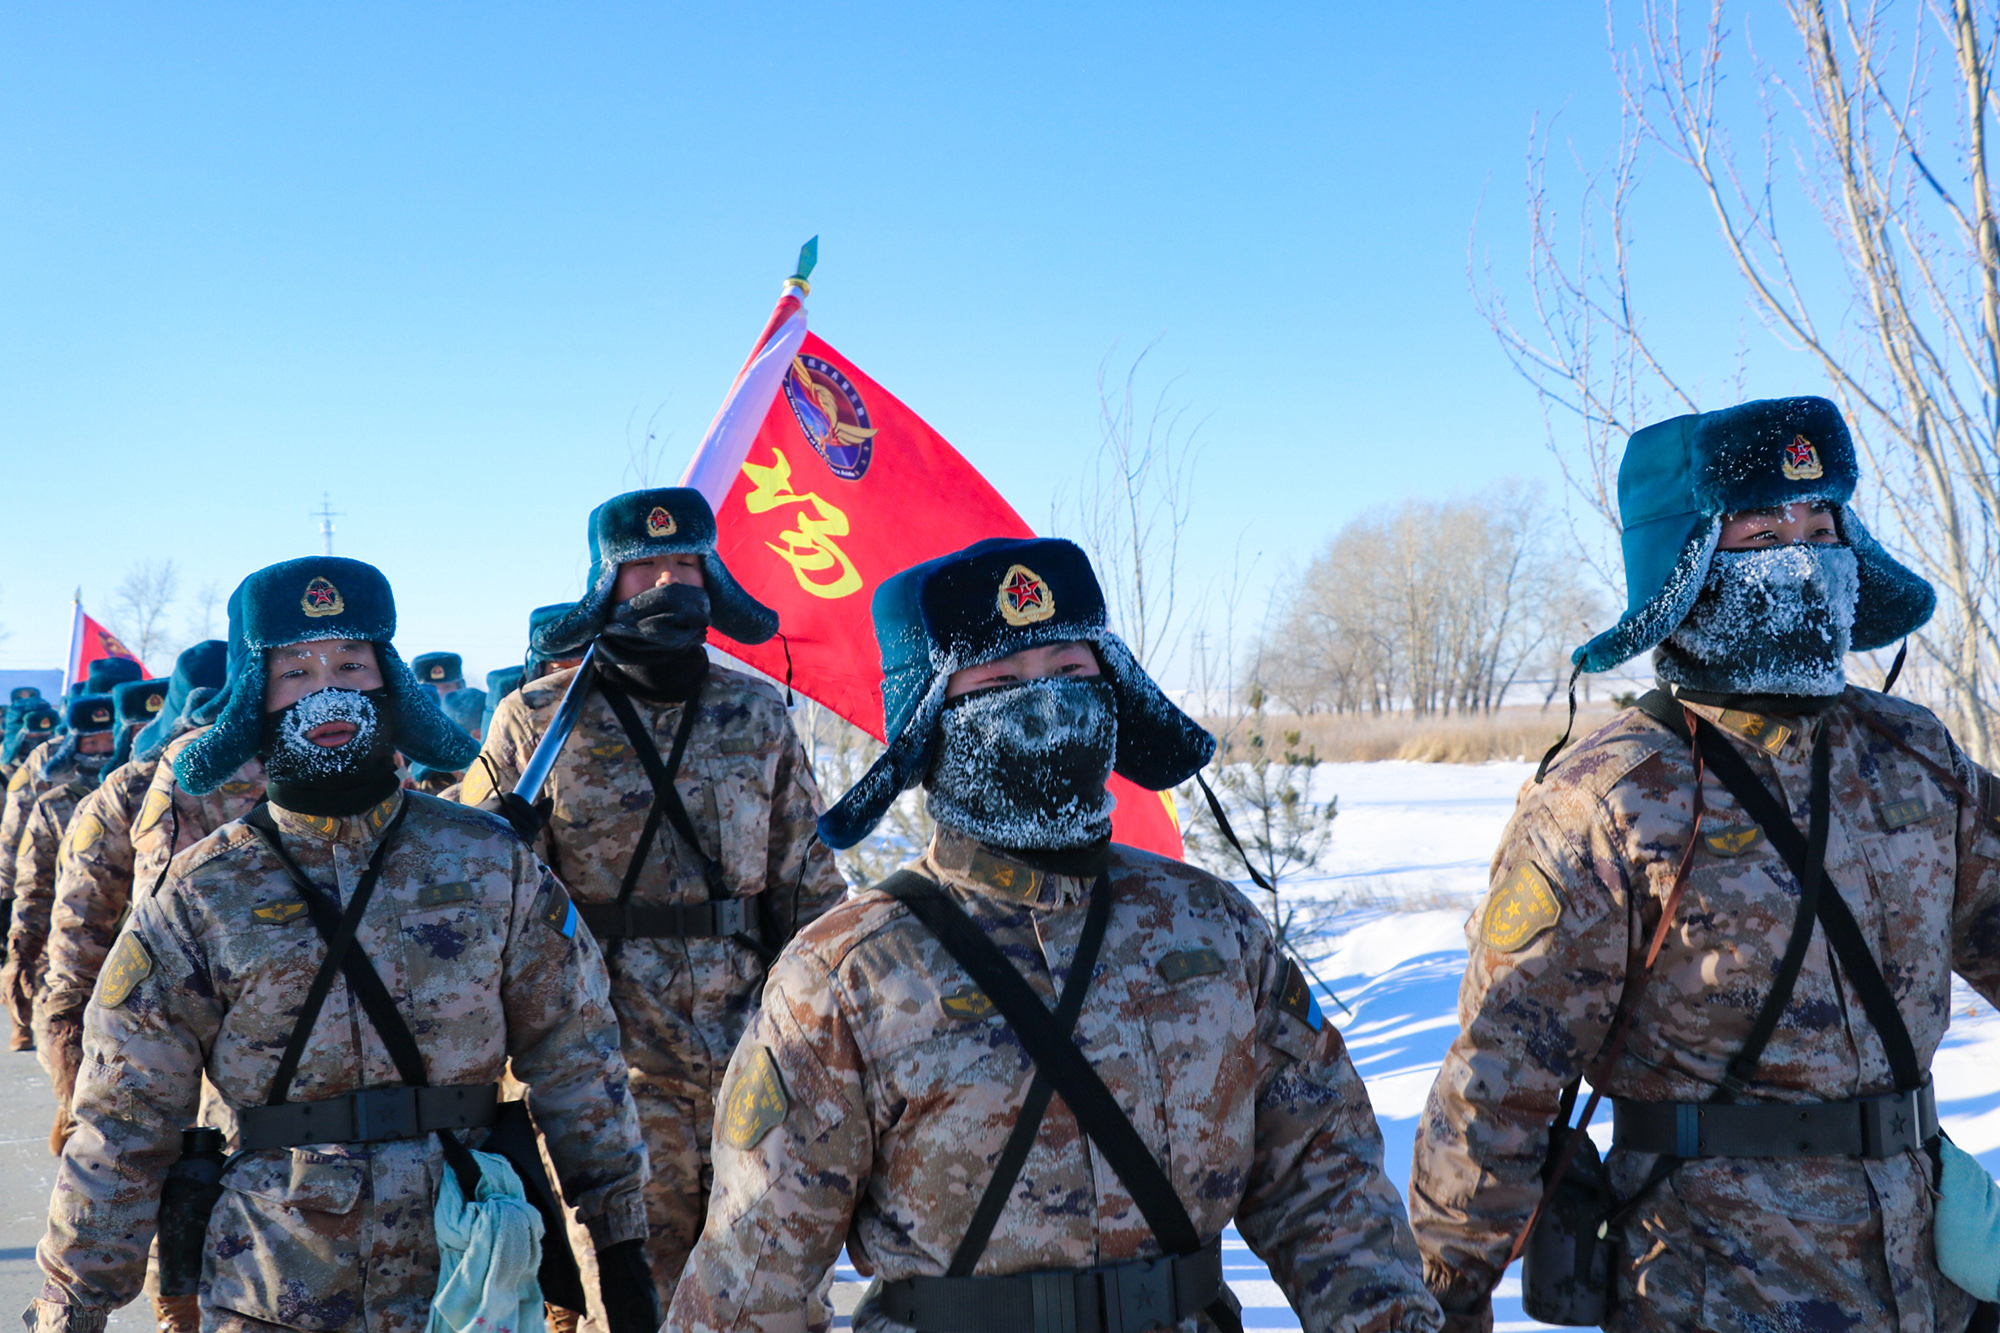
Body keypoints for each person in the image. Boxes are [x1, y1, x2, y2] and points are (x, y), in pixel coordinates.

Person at [668, 536, 1442, 1333]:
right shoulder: (846, 974)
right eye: (999, 682)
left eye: (1072, 674)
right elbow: (752, 1274)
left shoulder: (1215, 929)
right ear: (929, 720)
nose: (1044, 706)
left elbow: (1329, 1183)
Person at [1407, 396, 2000, 1333]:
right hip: (1711, 1292)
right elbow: (1500, 1083)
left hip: (1931, 1288)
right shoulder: (1610, 796)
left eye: (1822, 523)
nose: (1805, 558)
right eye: (1761, 531)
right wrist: (1439, 1301)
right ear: (1683, 563)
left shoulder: (1917, 757)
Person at [29, 556, 657, 1333]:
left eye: (350, 662)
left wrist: (622, 1245)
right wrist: (73, 1302)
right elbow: (123, 1118)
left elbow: (578, 1057)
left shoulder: (490, 862)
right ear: (254, 699)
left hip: (468, 1282)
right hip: (273, 1286)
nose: (325, 689)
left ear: (387, 684)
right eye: (294, 670)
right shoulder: (199, 894)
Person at [461, 487, 847, 1293]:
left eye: (686, 564)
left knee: (773, 1291)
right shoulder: (535, 722)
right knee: (640, 1298)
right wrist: (497, 840)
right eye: (645, 569)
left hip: (755, 1052)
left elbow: (810, 890)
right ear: (606, 582)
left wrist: (827, 1041)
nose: (669, 585)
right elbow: (469, 902)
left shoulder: (756, 711)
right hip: (609, 1061)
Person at [39, 643, 226, 1157]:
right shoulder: (128, 793)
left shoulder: (291, 777)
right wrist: (79, 1098)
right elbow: (80, 941)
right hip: (147, 1024)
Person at [2, 695, 117, 1056]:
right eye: (91, 742)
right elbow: (28, 866)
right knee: (64, 1029)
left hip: (127, 930)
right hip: (65, 927)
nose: (101, 750)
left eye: (109, 740)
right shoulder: (54, 800)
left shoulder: (138, 792)